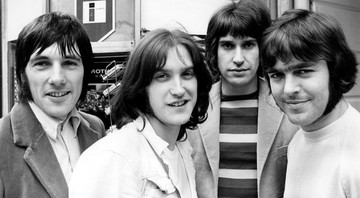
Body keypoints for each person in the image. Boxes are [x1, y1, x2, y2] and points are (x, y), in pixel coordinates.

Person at [69, 28, 213, 197]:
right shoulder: (113, 159)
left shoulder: (182, 147)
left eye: (187, 74)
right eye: (162, 76)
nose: (179, 89)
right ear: (141, 87)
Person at [187, 0, 299, 197]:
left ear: (263, 49)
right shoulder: (194, 107)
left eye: (248, 44)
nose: (238, 58)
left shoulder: (288, 105)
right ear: (215, 51)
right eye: (228, 45)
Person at [0, 12, 106, 198]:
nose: (57, 78)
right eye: (42, 64)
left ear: (85, 72)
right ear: (23, 75)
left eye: (69, 63)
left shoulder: (96, 129)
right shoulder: (2, 139)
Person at [261, 9, 360, 197]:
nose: (288, 89)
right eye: (277, 75)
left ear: (336, 70)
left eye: (303, 71)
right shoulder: (297, 142)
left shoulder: (355, 158)